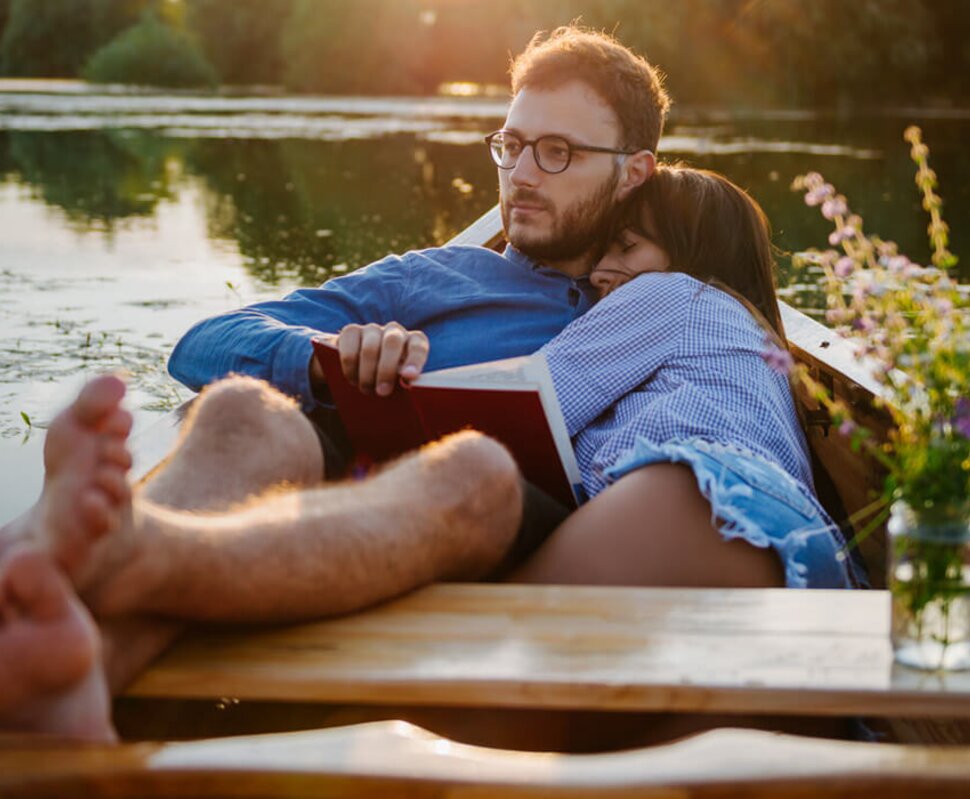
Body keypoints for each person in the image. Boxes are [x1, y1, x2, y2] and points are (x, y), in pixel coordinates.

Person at [511, 165, 865, 592]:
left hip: (701, 496)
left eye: (626, 247)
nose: (600, 271)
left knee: (494, 626)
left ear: (694, 253)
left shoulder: (672, 291)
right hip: (799, 547)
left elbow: (524, 404)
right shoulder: (752, 342)